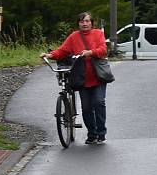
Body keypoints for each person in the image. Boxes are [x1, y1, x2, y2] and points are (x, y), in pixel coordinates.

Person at [40, 12, 108, 144]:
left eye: (87, 21)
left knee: (99, 102)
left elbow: (103, 50)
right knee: (86, 107)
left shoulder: (98, 33)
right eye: (82, 21)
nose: (85, 24)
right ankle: (92, 134)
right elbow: (62, 51)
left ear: (91, 23)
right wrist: (49, 55)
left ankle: (101, 133)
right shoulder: (74, 36)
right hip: (82, 78)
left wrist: (91, 52)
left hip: (98, 76)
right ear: (78, 23)